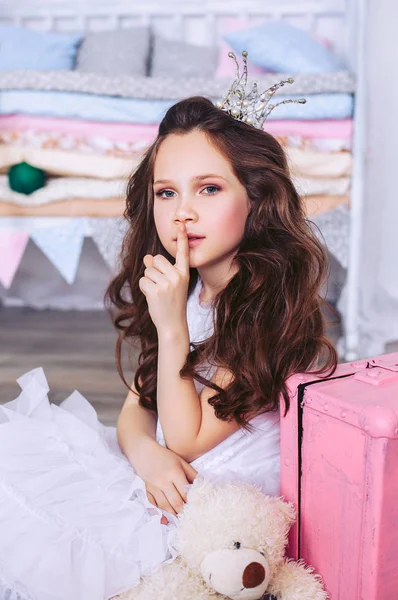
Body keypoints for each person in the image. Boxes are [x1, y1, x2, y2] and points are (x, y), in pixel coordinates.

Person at [0, 94, 338, 600]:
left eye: (208, 189)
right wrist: (142, 452)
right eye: (166, 193)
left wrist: (173, 324)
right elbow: (139, 409)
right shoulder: (191, 290)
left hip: (214, 506)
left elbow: (185, 439)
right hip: (163, 477)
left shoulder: (269, 305)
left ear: (256, 197)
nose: (183, 213)